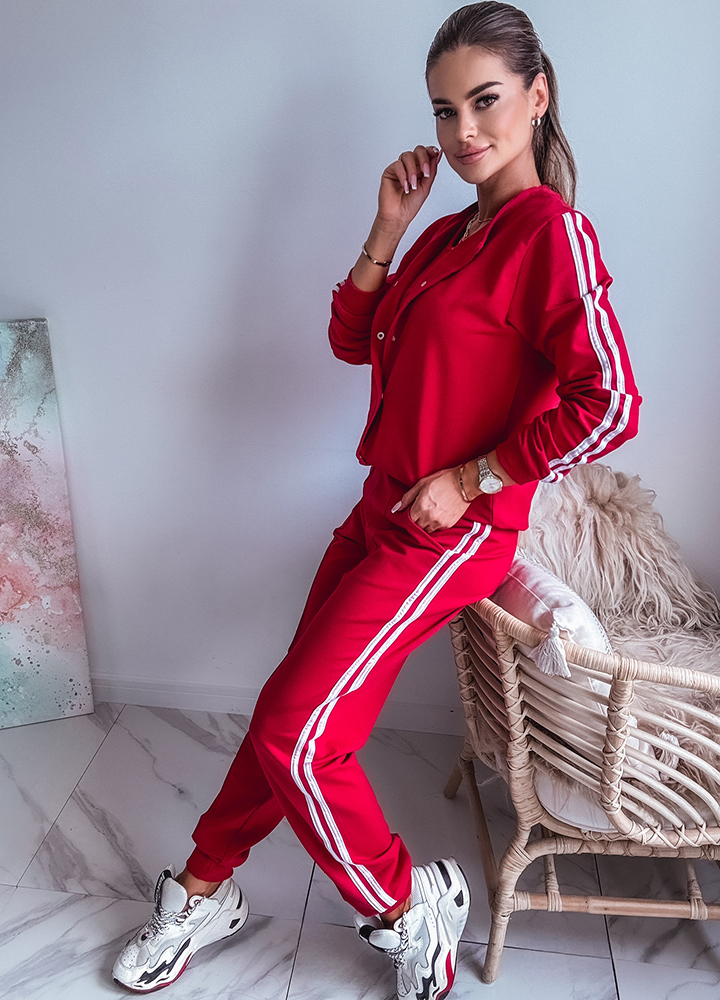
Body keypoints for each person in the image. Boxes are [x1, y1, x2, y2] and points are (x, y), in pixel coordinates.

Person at [112, 3, 642, 998]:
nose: (463, 131)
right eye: (444, 110)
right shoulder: (448, 231)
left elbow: (610, 400)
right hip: (381, 512)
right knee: (291, 712)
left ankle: (407, 909)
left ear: (538, 96)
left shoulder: (551, 234)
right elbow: (353, 340)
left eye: (484, 101)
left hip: (452, 535)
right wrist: (388, 230)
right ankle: (205, 886)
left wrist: (475, 476)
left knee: (294, 733)